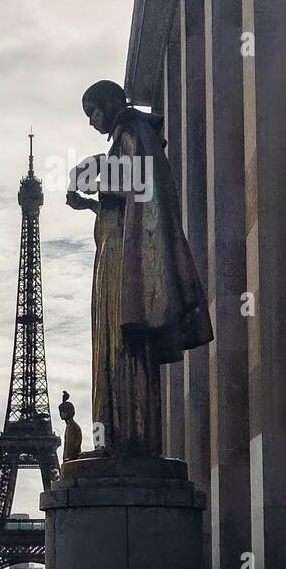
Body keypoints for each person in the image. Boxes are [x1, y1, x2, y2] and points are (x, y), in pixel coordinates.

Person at [66, 80, 213, 456]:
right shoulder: (127, 136)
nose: (91, 122)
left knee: (123, 347)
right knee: (113, 346)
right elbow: (129, 205)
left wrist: (91, 170)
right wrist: (91, 205)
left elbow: (139, 183)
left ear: (112, 104)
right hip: (116, 259)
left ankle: (127, 439)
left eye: (93, 112)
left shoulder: (134, 130)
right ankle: (115, 437)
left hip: (124, 266)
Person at [58, 391, 82, 462]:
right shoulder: (71, 425)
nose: (61, 414)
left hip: (71, 459)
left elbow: (70, 446)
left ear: (68, 412)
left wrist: (68, 458)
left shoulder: (71, 427)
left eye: (62, 411)